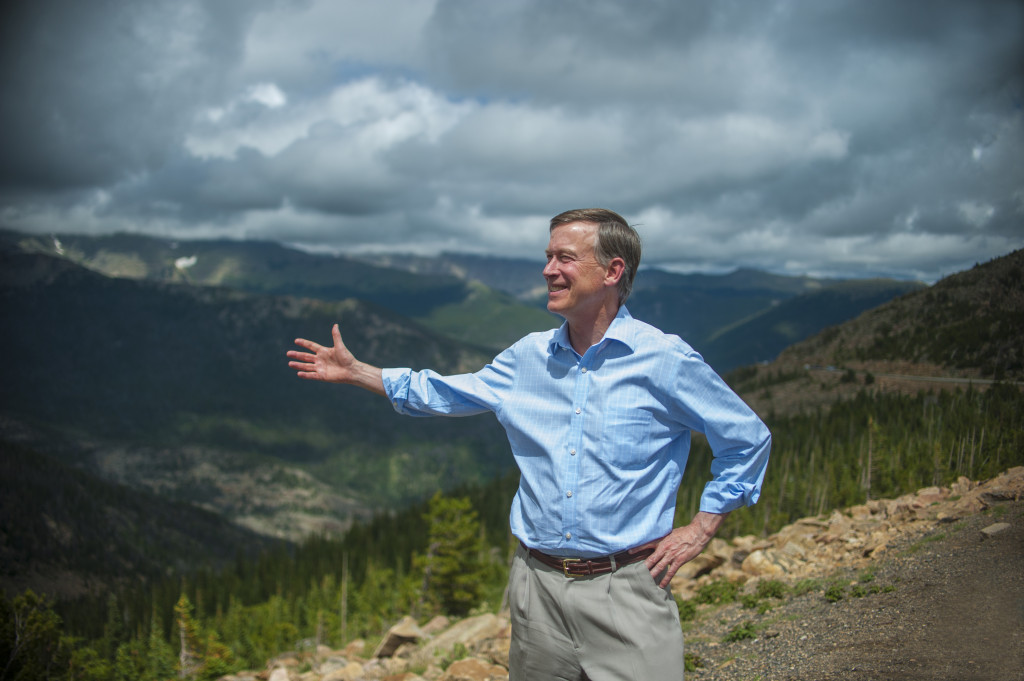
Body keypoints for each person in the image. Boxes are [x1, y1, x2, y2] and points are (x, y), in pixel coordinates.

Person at [287, 208, 771, 680]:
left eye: (564, 258)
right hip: (535, 584)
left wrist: (702, 527)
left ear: (612, 270)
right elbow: (446, 393)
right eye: (547, 256)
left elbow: (746, 439)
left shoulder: (664, 359)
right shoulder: (528, 357)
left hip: (627, 587)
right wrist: (357, 373)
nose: (548, 270)